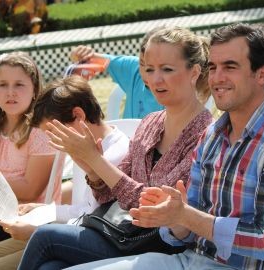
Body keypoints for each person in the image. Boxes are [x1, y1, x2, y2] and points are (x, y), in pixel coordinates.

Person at [62, 23, 264, 270]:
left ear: (262, 74)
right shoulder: (213, 136)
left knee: (50, 242)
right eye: (213, 67)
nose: (217, 78)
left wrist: (185, 216)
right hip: (189, 261)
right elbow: (182, 233)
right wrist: (174, 218)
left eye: (230, 67)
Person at [17, 26, 213, 269]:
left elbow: (152, 207)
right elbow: (110, 196)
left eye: (167, 69)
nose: (155, 79)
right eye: (149, 69)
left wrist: (96, 161)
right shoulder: (151, 122)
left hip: (160, 245)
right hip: (124, 234)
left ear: (194, 72)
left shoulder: (206, 135)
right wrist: (90, 168)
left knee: (44, 237)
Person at [0, 75, 130, 269]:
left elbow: (93, 219)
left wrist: (35, 229)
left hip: (86, 237)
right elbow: (83, 207)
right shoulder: (86, 149)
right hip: (67, 229)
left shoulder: (112, 155)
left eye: (53, 132)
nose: (52, 141)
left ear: (78, 116)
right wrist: (42, 210)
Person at [0, 52, 59, 247]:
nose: (10, 92)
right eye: (3, 85)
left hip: (22, 214)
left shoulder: (39, 132)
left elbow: (31, 190)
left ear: (34, 90)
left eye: (19, 84)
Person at [70, 28, 165, 119]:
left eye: (151, 69)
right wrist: (78, 53)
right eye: (142, 63)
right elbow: (88, 58)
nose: (145, 73)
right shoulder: (133, 68)